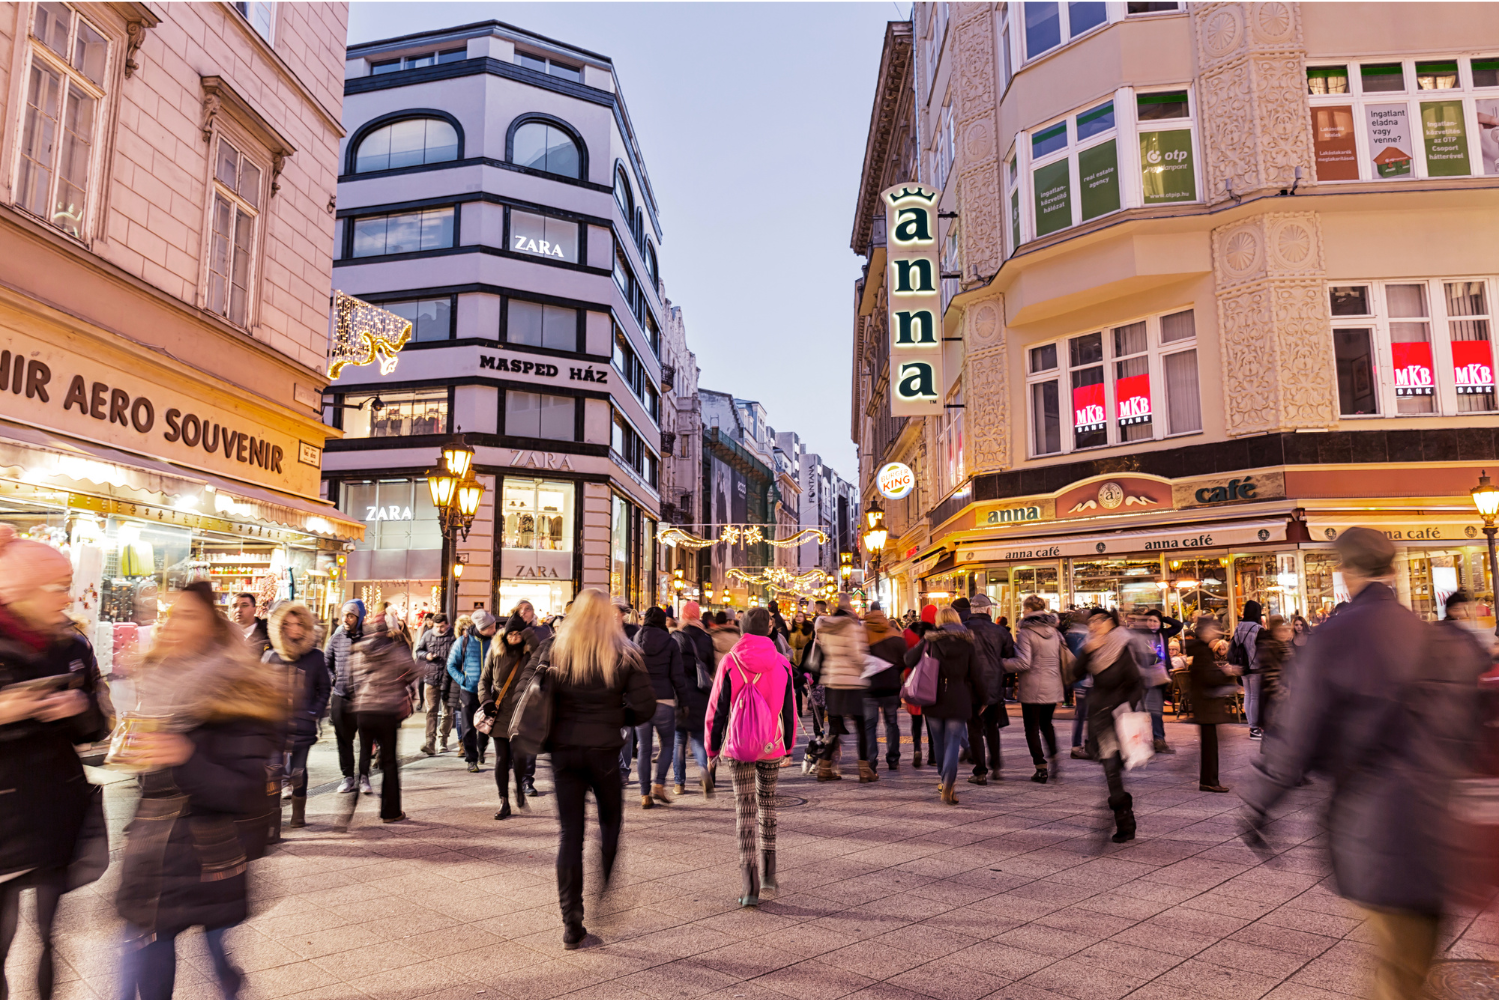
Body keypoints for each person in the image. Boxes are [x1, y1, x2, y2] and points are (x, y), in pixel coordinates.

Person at [1241, 528, 1482, 1000]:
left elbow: (1297, 733)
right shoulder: (1428, 633)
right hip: (1441, 821)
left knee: (1397, 973)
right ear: (1392, 569)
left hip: (1376, 822)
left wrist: (1260, 802)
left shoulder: (1334, 637)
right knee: (1408, 964)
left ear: (1345, 570)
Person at [115, 582, 283, 1000]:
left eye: (188, 616)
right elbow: (151, 782)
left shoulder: (240, 691)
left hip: (209, 856)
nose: (173, 624)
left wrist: (184, 756)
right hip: (152, 856)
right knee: (141, 963)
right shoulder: (157, 683)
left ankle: (227, 980)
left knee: (213, 943)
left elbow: (246, 791)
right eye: (171, 615)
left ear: (212, 627)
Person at [0, 527, 109, 1000]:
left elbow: (99, 726)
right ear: (21, 591)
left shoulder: (73, 645)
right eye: (55, 587)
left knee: (49, 935)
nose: (66, 598)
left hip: (56, 810)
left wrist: (79, 709)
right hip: (3, 816)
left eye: (67, 586)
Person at [541, 589, 656, 949]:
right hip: (604, 751)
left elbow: (536, 693)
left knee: (569, 835)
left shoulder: (556, 648)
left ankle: (571, 922)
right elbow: (646, 707)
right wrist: (616, 717)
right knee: (609, 823)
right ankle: (604, 887)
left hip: (564, 752)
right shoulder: (624, 653)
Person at [707, 607, 796, 907]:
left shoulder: (730, 662)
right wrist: (788, 746)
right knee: (767, 803)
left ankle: (750, 886)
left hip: (739, 745)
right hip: (771, 743)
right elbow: (789, 709)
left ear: (742, 630)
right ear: (769, 629)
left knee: (745, 809)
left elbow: (717, 709)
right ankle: (769, 872)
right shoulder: (782, 663)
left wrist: (712, 749)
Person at [1073, 609, 1146, 843]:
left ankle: (1124, 816)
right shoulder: (1091, 646)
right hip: (1100, 718)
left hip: (1119, 716)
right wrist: (1087, 652)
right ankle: (1125, 820)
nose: (1093, 625)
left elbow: (1136, 683)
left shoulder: (1124, 644)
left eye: (1098, 620)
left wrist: (1126, 708)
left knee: (1113, 769)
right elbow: (1073, 675)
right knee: (1111, 769)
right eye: (1090, 622)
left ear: (1110, 622)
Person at [902, 605, 981, 804]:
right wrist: (983, 698)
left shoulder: (930, 640)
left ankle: (943, 778)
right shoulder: (968, 643)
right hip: (959, 696)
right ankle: (949, 781)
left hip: (933, 696)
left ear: (938, 621)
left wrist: (924, 643)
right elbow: (977, 674)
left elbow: (908, 659)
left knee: (938, 741)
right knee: (953, 741)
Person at [263, 602, 328, 829]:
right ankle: (272, 818)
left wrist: (314, 713)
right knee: (272, 772)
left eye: (299, 624)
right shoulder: (271, 657)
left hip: (303, 725)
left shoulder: (314, 657)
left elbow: (324, 689)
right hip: (275, 727)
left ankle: (298, 815)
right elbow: (261, 690)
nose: (294, 629)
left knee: (298, 771)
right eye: (288, 624)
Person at [352, 608, 416, 822]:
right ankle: (390, 812)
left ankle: (349, 808)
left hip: (364, 709)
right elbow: (413, 670)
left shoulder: (359, 648)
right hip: (386, 710)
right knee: (389, 761)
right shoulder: (395, 649)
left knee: (363, 756)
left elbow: (353, 678)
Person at [630, 606, 690, 808]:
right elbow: (677, 676)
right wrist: (684, 701)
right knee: (667, 745)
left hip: (641, 700)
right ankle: (659, 784)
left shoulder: (635, 640)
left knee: (644, 748)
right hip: (664, 699)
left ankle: (644, 794)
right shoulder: (670, 642)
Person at [1003, 595, 1067, 784]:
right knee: (1046, 724)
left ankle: (1040, 767)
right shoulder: (1055, 632)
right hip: (1053, 684)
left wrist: (1001, 663)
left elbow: (1023, 662)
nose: (1023, 612)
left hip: (1033, 686)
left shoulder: (1026, 632)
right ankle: (1054, 757)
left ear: (1029, 610)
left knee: (1031, 727)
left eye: (1024, 609)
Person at [480, 613, 537, 819]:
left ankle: (520, 788)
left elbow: (541, 653)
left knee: (520, 757)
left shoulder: (530, 654)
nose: (514, 637)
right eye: (510, 634)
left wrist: (528, 633)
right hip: (500, 711)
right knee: (502, 758)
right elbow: (484, 680)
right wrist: (486, 700)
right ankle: (504, 801)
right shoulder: (496, 652)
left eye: (518, 634)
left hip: (522, 711)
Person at [813, 594, 870, 782]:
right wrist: (865, 668)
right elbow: (857, 654)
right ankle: (865, 770)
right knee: (861, 725)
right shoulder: (852, 627)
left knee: (835, 727)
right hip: (852, 681)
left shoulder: (826, 627)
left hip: (833, 681)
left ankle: (824, 766)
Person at [957, 595, 1010, 784]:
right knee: (992, 727)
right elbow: (1009, 655)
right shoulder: (1000, 631)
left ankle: (980, 771)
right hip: (993, 686)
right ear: (989, 610)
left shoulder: (962, 629)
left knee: (974, 728)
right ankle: (995, 765)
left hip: (970, 686)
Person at [1185, 615, 1235, 793]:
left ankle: (1209, 780)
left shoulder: (1201, 650)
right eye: (1212, 630)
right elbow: (1207, 677)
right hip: (1205, 704)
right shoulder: (1202, 652)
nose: (1215, 633)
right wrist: (1226, 672)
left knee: (1210, 744)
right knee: (1209, 746)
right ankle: (1209, 781)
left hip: (1205, 704)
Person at [324, 600, 368, 794]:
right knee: (343, 739)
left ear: (359, 618)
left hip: (364, 698)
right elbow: (326, 662)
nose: (346, 619)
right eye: (344, 615)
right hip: (341, 695)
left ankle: (364, 776)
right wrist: (333, 679)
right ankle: (348, 776)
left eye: (350, 616)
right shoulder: (336, 638)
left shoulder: (368, 638)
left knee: (366, 738)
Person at [447, 610, 497, 773]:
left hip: (489, 691)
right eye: (491, 627)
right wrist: (463, 680)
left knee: (486, 724)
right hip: (469, 690)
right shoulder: (463, 641)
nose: (494, 629)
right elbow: (451, 665)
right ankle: (471, 759)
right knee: (468, 726)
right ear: (482, 628)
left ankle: (481, 749)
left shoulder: (495, 642)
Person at [671, 606, 714, 796]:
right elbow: (710, 666)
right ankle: (704, 769)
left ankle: (679, 783)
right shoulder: (706, 638)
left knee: (679, 739)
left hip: (679, 692)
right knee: (698, 737)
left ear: (683, 616)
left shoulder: (675, 637)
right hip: (700, 692)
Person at [862, 604, 906, 775]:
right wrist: (894, 671)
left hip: (869, 687)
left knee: (870, 725)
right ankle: (893, 759)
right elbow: (904, 659)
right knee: (892, 723)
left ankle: (871, 760)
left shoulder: (862, 634)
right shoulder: (894, 634)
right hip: (891, 686)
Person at [1137, 608, 1182, 753]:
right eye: (1149, 620)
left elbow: (1178, 625)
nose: (1152, 623)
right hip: (1144, 674)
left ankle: (1158, 739)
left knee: (1156, 708)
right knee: (1144, 708)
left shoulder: (1163, 633)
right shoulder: (1141, 634)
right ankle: (1146, 739)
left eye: (1155, 621)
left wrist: (1165, 618)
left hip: (1160, 674)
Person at [902, 604, 938, 767]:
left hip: (912, 679)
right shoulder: (936, 634)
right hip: (930, 679)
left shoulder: (908, 632)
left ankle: (917, 748)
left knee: (915, 719)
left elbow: (904, 655)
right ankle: (933, 754)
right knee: (931, 719)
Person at [414, 614, 456, 755]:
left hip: (449, 679)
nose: (439, 629)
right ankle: (430, 743)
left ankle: (443, 740)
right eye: (437, 626)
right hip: (431, 678)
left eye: (442, 626)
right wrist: (427, 655)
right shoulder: (427, 635)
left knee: (447, 712)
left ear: (447, 624)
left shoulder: (453, 636)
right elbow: (418, 651)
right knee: (431, 711)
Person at [1230, 599, 1266, 739]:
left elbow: (1234, 644)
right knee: (1255, 696)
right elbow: (1262, 649)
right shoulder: (1258, 629)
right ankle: (1255, 728)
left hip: (1242, 666)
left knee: (1248, 695)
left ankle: (1251, 726)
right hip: (1255, 667)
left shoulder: (1238, 627)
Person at [230, 592, 271, 657]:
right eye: (234, 606)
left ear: (254, 610)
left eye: (244, 605)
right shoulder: (225, 634)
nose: (238, 610)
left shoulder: (269, 633)